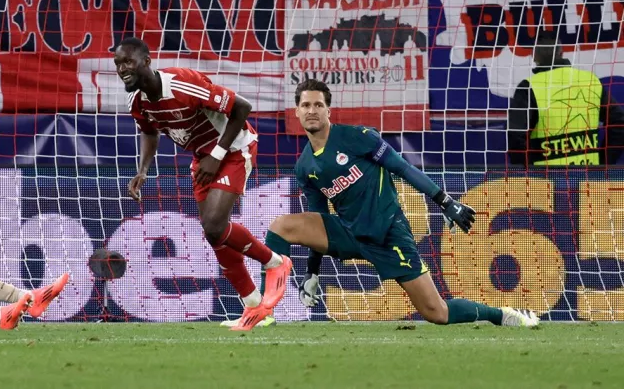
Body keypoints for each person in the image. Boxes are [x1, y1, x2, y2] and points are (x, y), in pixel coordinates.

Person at [264, 79, 541, 328]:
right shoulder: (304, 166)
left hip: (387, 233)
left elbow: (404, 169)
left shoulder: (358, 138)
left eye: (318, 105)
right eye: (305, 105)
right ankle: (265, 312)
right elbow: (319, 218)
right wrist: (312, 272)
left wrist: (444, 201)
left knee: (437, 313)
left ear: (328, 111)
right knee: (281, 226)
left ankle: (500, 315)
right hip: (348, 233)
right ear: (297, 111)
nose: (312, 110)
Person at [115, 37, 292, 331]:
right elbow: (149, 132)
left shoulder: (182, 84)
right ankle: (255, 308)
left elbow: (242, 108)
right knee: (214, 236)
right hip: (203, 158)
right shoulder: (137, 101)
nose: (122, 69)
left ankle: (275, 262)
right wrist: (143, 170)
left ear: (146, 61)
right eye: (118, 64)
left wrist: (216, 155)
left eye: (128, 62)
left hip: (234, 148)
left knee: (213, 226)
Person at [508, 32, 624, 166]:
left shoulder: (528, 87)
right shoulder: (590, 81)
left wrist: (528, 172)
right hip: (587, 178)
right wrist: (604, 162)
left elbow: (515, 136)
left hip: (546, 181)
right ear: (561, 53)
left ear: (533, 55)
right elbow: (619, 123)